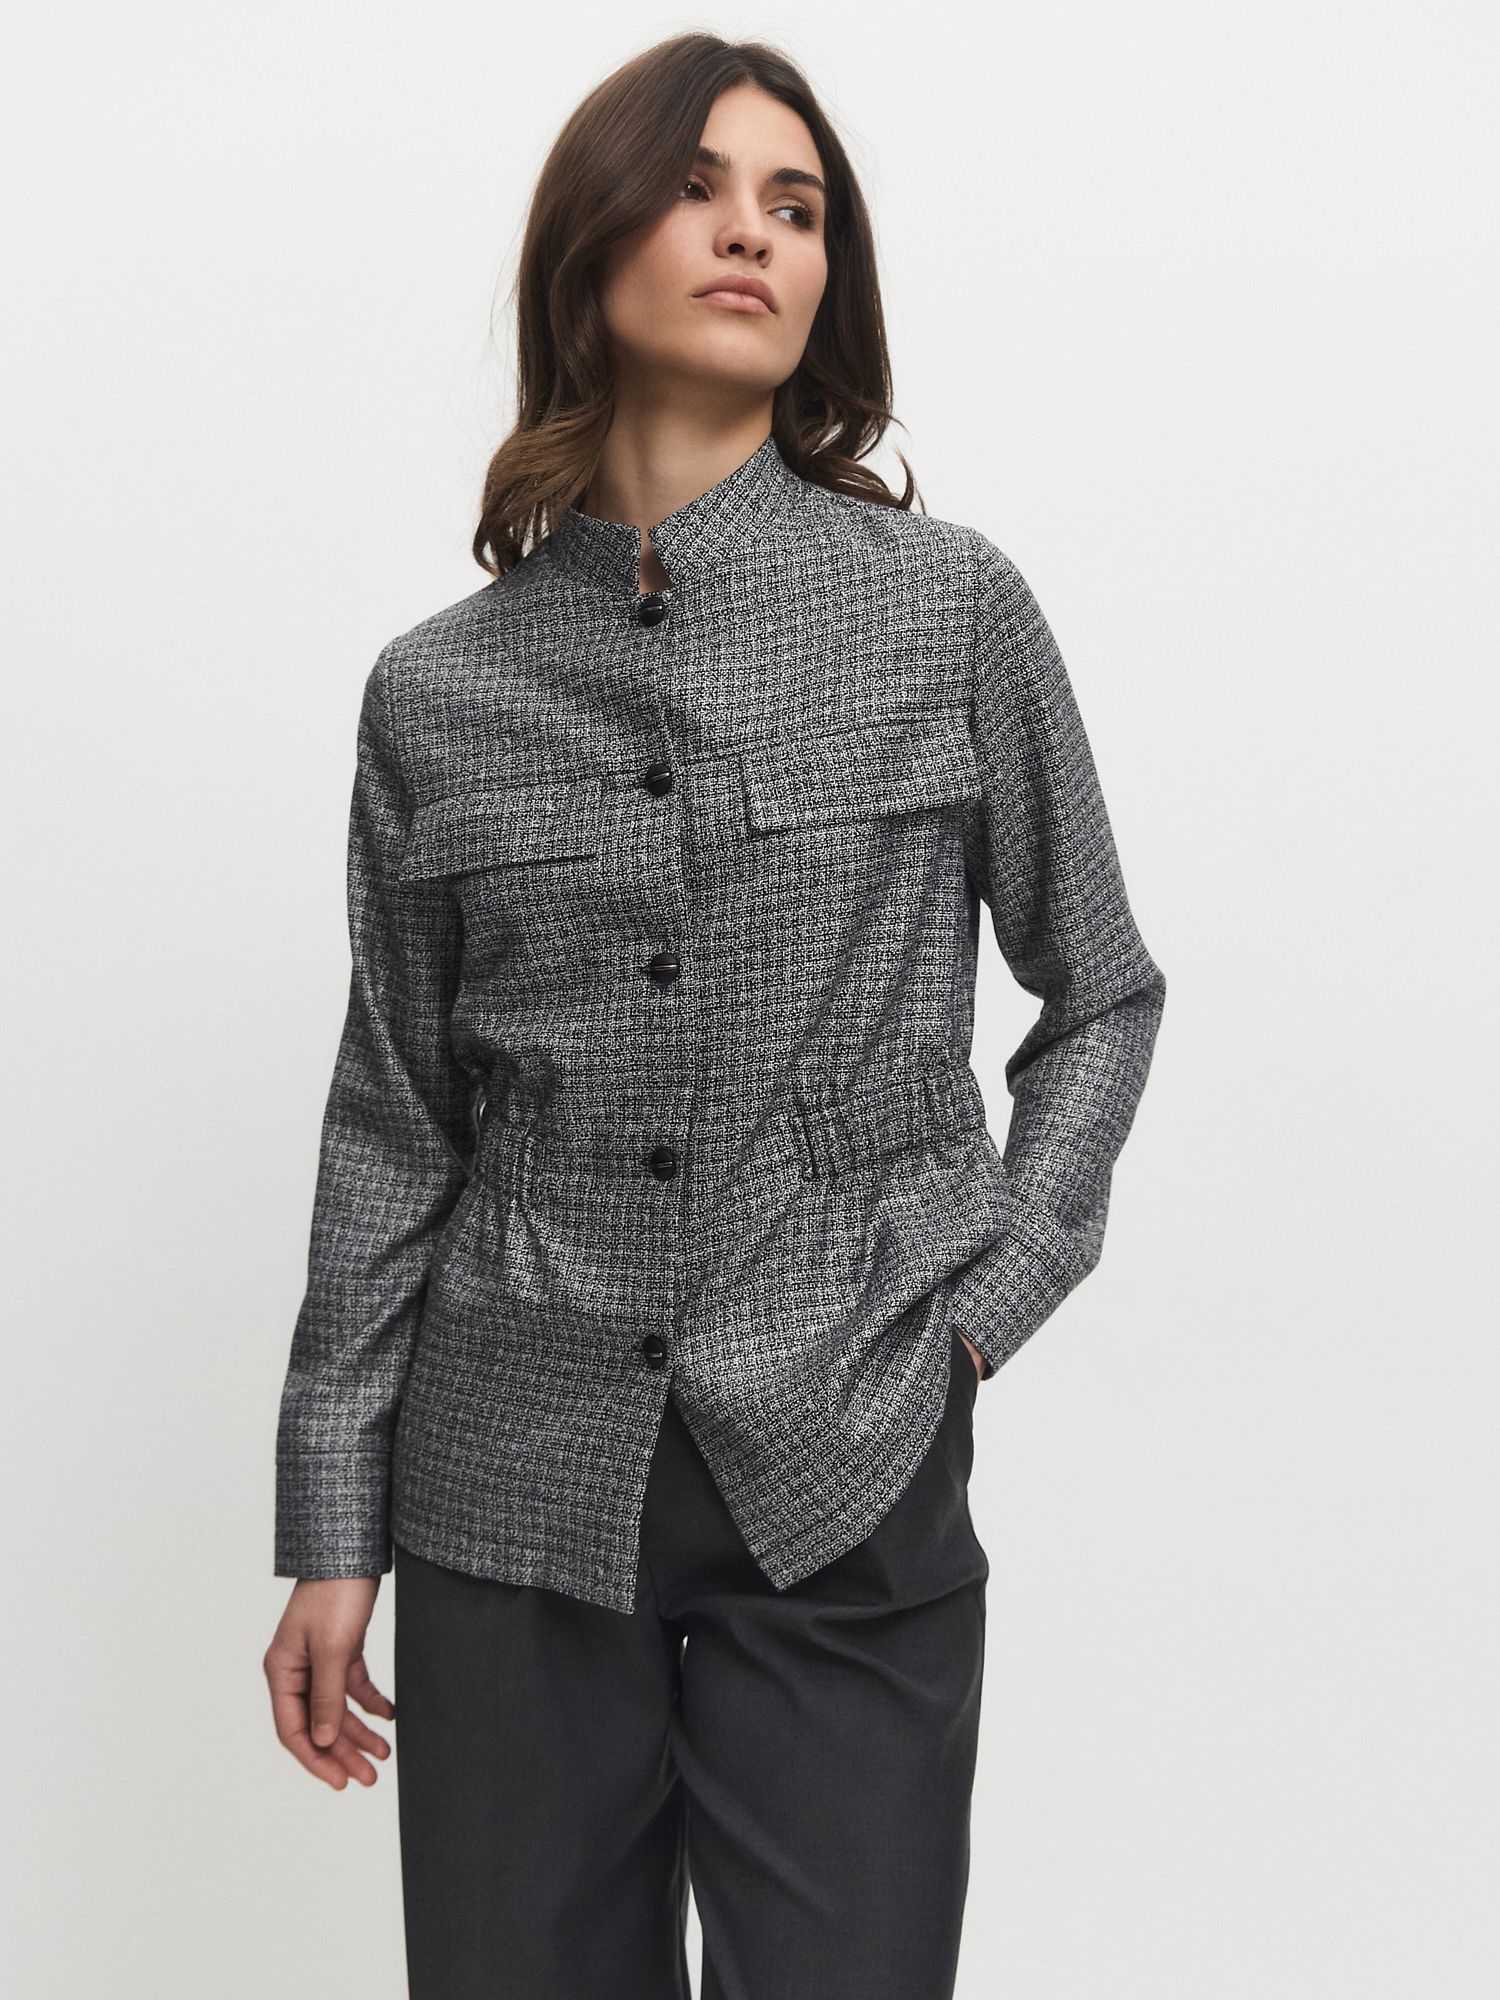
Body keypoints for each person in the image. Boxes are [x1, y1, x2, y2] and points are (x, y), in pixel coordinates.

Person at [263, 31, 1167, 2000]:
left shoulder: (948, 611)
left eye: (796, 204)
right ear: (589, 247)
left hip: (846, 1446)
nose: (753, 231)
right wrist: (333, 1520)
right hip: (508, 1478)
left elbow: (1099, 986)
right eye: (698, 189)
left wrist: (980, 1311)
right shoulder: (437, 691)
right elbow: (396, 1123)